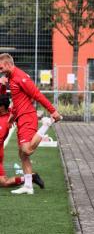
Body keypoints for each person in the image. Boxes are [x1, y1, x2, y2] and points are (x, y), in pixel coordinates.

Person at [0, 53, 61, 195]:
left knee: (26, 150)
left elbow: (37, 95)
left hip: (27, 116)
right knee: (22, 154)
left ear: (9, 64)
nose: (0, 70)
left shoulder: (21, 77)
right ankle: (28, 185)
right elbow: (17, 98)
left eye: (1, 67)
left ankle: (46, 124)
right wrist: (13, 115)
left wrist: (53, 112)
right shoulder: (10, 77)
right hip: (20, 117)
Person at [0, 94, 44, 189]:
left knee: (4, 183)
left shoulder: (4, 122)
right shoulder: (10, 111)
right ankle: (30, 178)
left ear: (2, 107)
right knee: (3, 183)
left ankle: (46, 126)